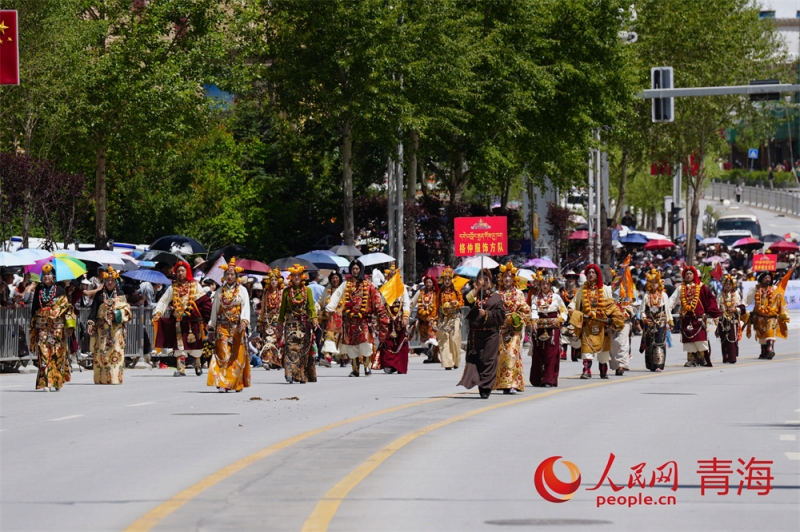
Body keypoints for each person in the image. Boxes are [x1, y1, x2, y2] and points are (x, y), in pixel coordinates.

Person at [325, 259, 388, 377]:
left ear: (361, 270)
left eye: (357, 269)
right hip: (349, 320)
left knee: (365, 344)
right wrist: (330, 308)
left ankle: (367, 367)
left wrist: (381, 314)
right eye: (353, 269)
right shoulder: (346, 284)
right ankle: (355, 370)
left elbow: (376, 299)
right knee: (351, 346)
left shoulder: (368, 284)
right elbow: (337, 295)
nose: (355, 271)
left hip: (364, 320)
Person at [153, 260, 213, 377]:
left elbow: (204, 301)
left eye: (182, 271)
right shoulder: (172, 288)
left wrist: (208, 317)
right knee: (179, 345)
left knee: (196, 345)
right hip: (179, 321)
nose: (180, 273)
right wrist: (158, 312)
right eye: (178, 271)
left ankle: (197, 364)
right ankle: (181, 368)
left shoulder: (195, 285)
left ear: (187, 271)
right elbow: (164, 301)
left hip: (194, 321)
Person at [568, 264, 625, 379]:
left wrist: (612, 319)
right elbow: (574, 302)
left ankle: (603, 370)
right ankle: (586, 370)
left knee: (603, 350)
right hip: (587, 324)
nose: (591, 275)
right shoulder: (582, 290)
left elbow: (611, 305)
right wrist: (571, 308)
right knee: (586, 349)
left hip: (602, 324)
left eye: (593, 273)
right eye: (589, 273)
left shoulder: (604, 289)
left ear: (598, 275)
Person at [458, 269, 506, 399]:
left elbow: (501, 316)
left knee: (488, 361)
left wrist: (487, 314)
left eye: (486, 279)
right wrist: (477, 288)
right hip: (475, 334)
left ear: (490, 281)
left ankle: (486, 387)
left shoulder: (495, 297)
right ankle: (479, 383)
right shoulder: (474, 294)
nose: (483, 282)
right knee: (476, 360)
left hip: (490, 334)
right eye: (481, 279)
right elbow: (467, 300)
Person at [206, 258, 251, 392]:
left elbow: (245, 307)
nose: (230, 276)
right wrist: (212, 327)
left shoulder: (242, 290)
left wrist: (244, 321)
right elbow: (215, 309)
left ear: (236, 276)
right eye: (227, 274)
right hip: (223, 326)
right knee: (223, 353)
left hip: (237, 326)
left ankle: (235, 383)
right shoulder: (220, 291)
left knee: (236, 356)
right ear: (224, 276)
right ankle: (223, 382)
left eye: (232, 274)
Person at [30, 262, 76, 391]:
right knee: (43, 351)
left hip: (56, 327)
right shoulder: (39, 289)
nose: (46, 276)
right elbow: (34, 309)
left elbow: (66, 308)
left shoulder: (60, 290)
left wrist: (69, 326)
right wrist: (33, 325)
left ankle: (56, 380)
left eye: (49, 274)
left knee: (57, 353)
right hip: (43, 326)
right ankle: (45, 381)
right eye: (44, 274)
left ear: (53, 276)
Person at [668, 265, 721, 367]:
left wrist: (712, 312)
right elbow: (672, 300)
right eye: (686, 274)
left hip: (699, 318)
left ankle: (702, 358)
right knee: (688, 341)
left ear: (694, 275)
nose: (688, 276)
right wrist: (667, 310)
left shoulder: (701, 287)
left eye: (690, 274)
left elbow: (710, 299)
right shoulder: (681, 288)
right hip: (686, 318)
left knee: (701, 339)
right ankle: (691, 359)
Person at [87, 266, 132, 385]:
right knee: (101, 352)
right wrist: (91, 323)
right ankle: (101, 378)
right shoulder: (99, 295)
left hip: (116, 330)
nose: (110, 282)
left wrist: (117, 314)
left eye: (112, 280)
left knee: (115, 352)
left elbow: (127, 310)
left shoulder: (121, 295)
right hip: (102, 329)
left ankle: (114, 378)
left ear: (116, 282)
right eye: (107, 281)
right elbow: (93, 311)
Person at [492, 262, 530, 394]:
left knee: (512, 354)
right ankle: (503, 383)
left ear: (514, 278)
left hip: (514, 329)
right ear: (501, 279)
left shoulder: (519, 293)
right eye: (505, 276)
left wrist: (517, 318)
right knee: (501, 355)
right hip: (501, 329)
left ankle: (512, 383)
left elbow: (526, 310)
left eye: (509, 276)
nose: (507, 279)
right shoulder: (497, 294)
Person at [277, 264, 318, 383]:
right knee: (290, 348)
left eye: (298, 275)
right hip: (290, 323)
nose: (296, 278)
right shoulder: (286, 291)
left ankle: (301, 374)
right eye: (294, 275)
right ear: (291, 277)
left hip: (304, 323)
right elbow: (282, 309)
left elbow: (311, 307)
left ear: (302, 277)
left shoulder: (308, 290)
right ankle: (289, 373)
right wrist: (280, 323)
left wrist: (314, 319)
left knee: (303, 349)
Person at [529, 271, 567, 388]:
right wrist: (534, 321)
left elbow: (564, 310)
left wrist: (560, 319)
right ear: (539, 285)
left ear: (551, 285)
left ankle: (548, 379)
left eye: (547, 284)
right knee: (539, 352)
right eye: (543, 284)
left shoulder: (556, 297)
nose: (545, 286)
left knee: (551, 353)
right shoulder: (535, 298)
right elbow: (534, 310)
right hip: (539, 327)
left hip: (553, 327)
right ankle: (537, 378)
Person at [744, 271, 791, 360]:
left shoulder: (775, 289)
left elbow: (781, 301)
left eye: (769, 278)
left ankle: (770, 350)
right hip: (758, 317)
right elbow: (747, 299)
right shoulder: (756, 288)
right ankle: (763, 352)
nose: (768, 279)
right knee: (761, 335)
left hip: (771, 317)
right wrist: (742, 306)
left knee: (770, 333)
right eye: (766, 278)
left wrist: (784, 313)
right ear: (761, 279)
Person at [376, 266, 409, 374]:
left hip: (399, 319)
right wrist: (381, 318)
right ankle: (389, 364)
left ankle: (399, 365)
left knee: (401, 342)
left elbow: (406, 303)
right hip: (388, 319)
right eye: (390, 276)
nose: (392, 278)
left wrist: (405, 317)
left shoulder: (402, 288)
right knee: (387, 342)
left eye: (394, 276)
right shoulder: (385, 288)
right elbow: (381, 304)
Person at [639, 269, 672, 372]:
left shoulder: (664, 295)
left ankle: (659, 365)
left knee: (659, 342)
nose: (654, 284)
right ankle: (651, 365)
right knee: (649, 343)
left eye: (656, 282)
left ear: (659, 283)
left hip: (660, 321)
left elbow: (667, 309)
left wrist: (670, 321)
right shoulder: (646, 295)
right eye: (652, 282)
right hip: (649, 321)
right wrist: (644, 318)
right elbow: (642, 309)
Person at [609, 268, 639, 376]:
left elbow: (636, 305)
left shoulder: (631, 290)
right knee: (613, 343)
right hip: (612, 319)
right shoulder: (611, 289)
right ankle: (615, 364)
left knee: (622, 342)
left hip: (625, 320)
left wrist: (627, 312)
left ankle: (621, 365)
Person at [436, 267, 464, 370]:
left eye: (449, 279)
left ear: (451, 279)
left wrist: (456, 303)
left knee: (454, 339)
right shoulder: (440, 291)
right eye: (445, 279)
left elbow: (461, 302)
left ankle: (456, 361)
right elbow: (437, 304)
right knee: (444, 340)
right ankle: (447, 363)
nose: (447, 281)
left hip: (454, 317)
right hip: (443, 318)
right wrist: (435, 318)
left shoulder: (456, 291)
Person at [256, 268, 284, 369]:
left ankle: (276, 361)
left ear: (279, 281)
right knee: (267, 340)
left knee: (277, 340)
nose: (273, 281)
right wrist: (260, 321)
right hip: (268, 320)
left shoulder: (282, 292)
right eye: (271, 280)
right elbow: (263, 308)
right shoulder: (266, 293)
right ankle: (267, 360)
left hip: (279, 320)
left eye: (275, 280)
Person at [319, 271, 345, 366]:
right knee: (328, 337)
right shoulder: (327, 290)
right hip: (329, 319)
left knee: (342, 340)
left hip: (342, 318)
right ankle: (328, 358)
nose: (335, 280)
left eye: (336, 278)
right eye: (333, 278)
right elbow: (321, 301)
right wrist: (317, 307)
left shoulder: (344, 289)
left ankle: (343, 358)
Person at [716, 274, 744, 364]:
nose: (728, 286)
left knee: (732, 339)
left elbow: (742, 306)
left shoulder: (736, 295)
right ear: (724, 285)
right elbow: (716, 307)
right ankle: (726, 357)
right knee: (724, 339)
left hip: (733, 319)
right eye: (726, 284)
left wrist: (735, 309)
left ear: (733, 285)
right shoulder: (720, 295)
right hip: (722, 320)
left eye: (730, 284)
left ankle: (732, 358)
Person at [414, 274, 439, 363]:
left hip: (433, 319)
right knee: (425, 338)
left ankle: (433, 353)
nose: (428, 284)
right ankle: (430, 356)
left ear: (433, 283)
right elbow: (414, 302)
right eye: (427, 282)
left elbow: (439, 305)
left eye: (430, 282)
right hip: (422, 319)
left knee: (433, 337)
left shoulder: (436, 293)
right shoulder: (421, 292)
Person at [559, 271, 581, 361]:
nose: (571, 279)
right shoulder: (562, 290)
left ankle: (574, 354)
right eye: (569, 278)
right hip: (565, 315)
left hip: (575, 315)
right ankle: (563, 353)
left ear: (576, 280)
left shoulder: (579, 291)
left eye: (573, 278)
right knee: (563, 333)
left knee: (574, 335)